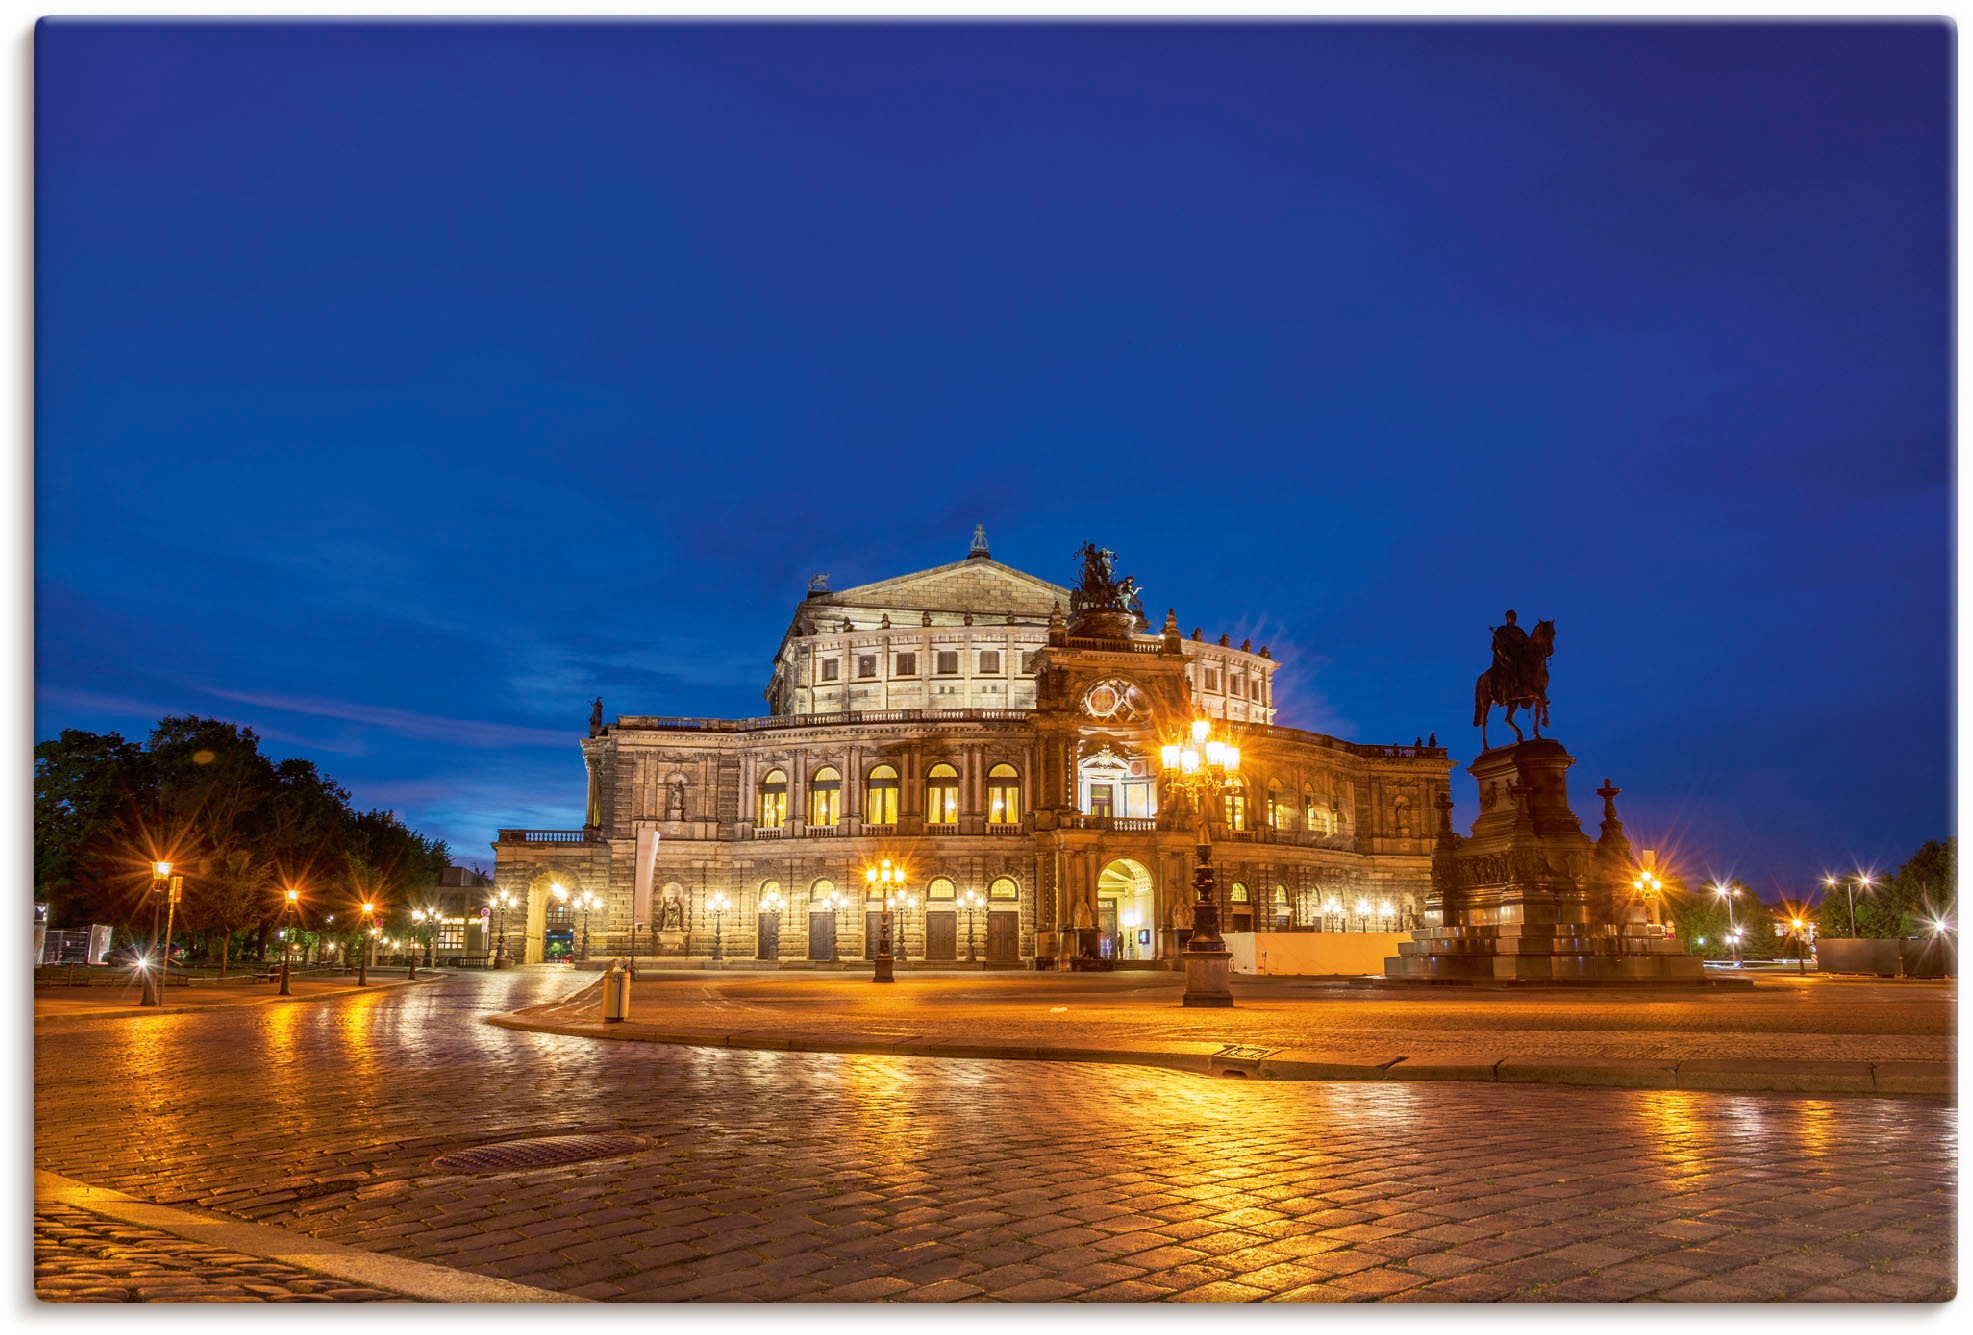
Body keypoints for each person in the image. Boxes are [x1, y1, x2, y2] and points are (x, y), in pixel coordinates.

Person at [1490, 611, 1530, 701]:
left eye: (1514, 617)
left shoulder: (1519, 631)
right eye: (1511, 617)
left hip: (1519, 655)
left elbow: (1528, 642)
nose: (1513, 619)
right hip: (1505, 657)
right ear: (1506, 618)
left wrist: (1526, 646)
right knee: (1512, 665)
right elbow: (1496, 646)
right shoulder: (1501, 630)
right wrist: (1504, 655)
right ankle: (1510, 689)